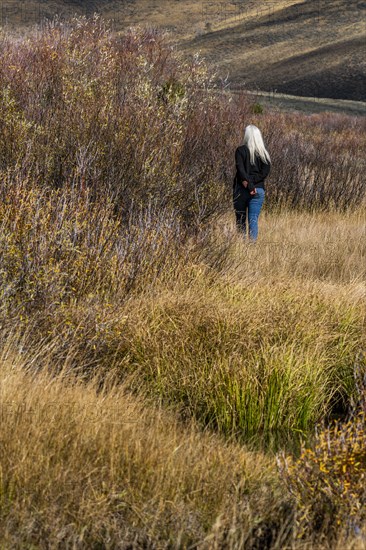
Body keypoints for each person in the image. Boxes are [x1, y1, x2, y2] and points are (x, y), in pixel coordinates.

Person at [233, 125, 271, 241]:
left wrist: (248, 184)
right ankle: (252, 245)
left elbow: (241, 170)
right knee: (253, 219)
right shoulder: (264, 153)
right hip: (258, 190)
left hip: (241, 189)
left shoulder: (240, 151)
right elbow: (264, 173)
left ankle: (241, 245)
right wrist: (253, 184)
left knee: (240, 218)